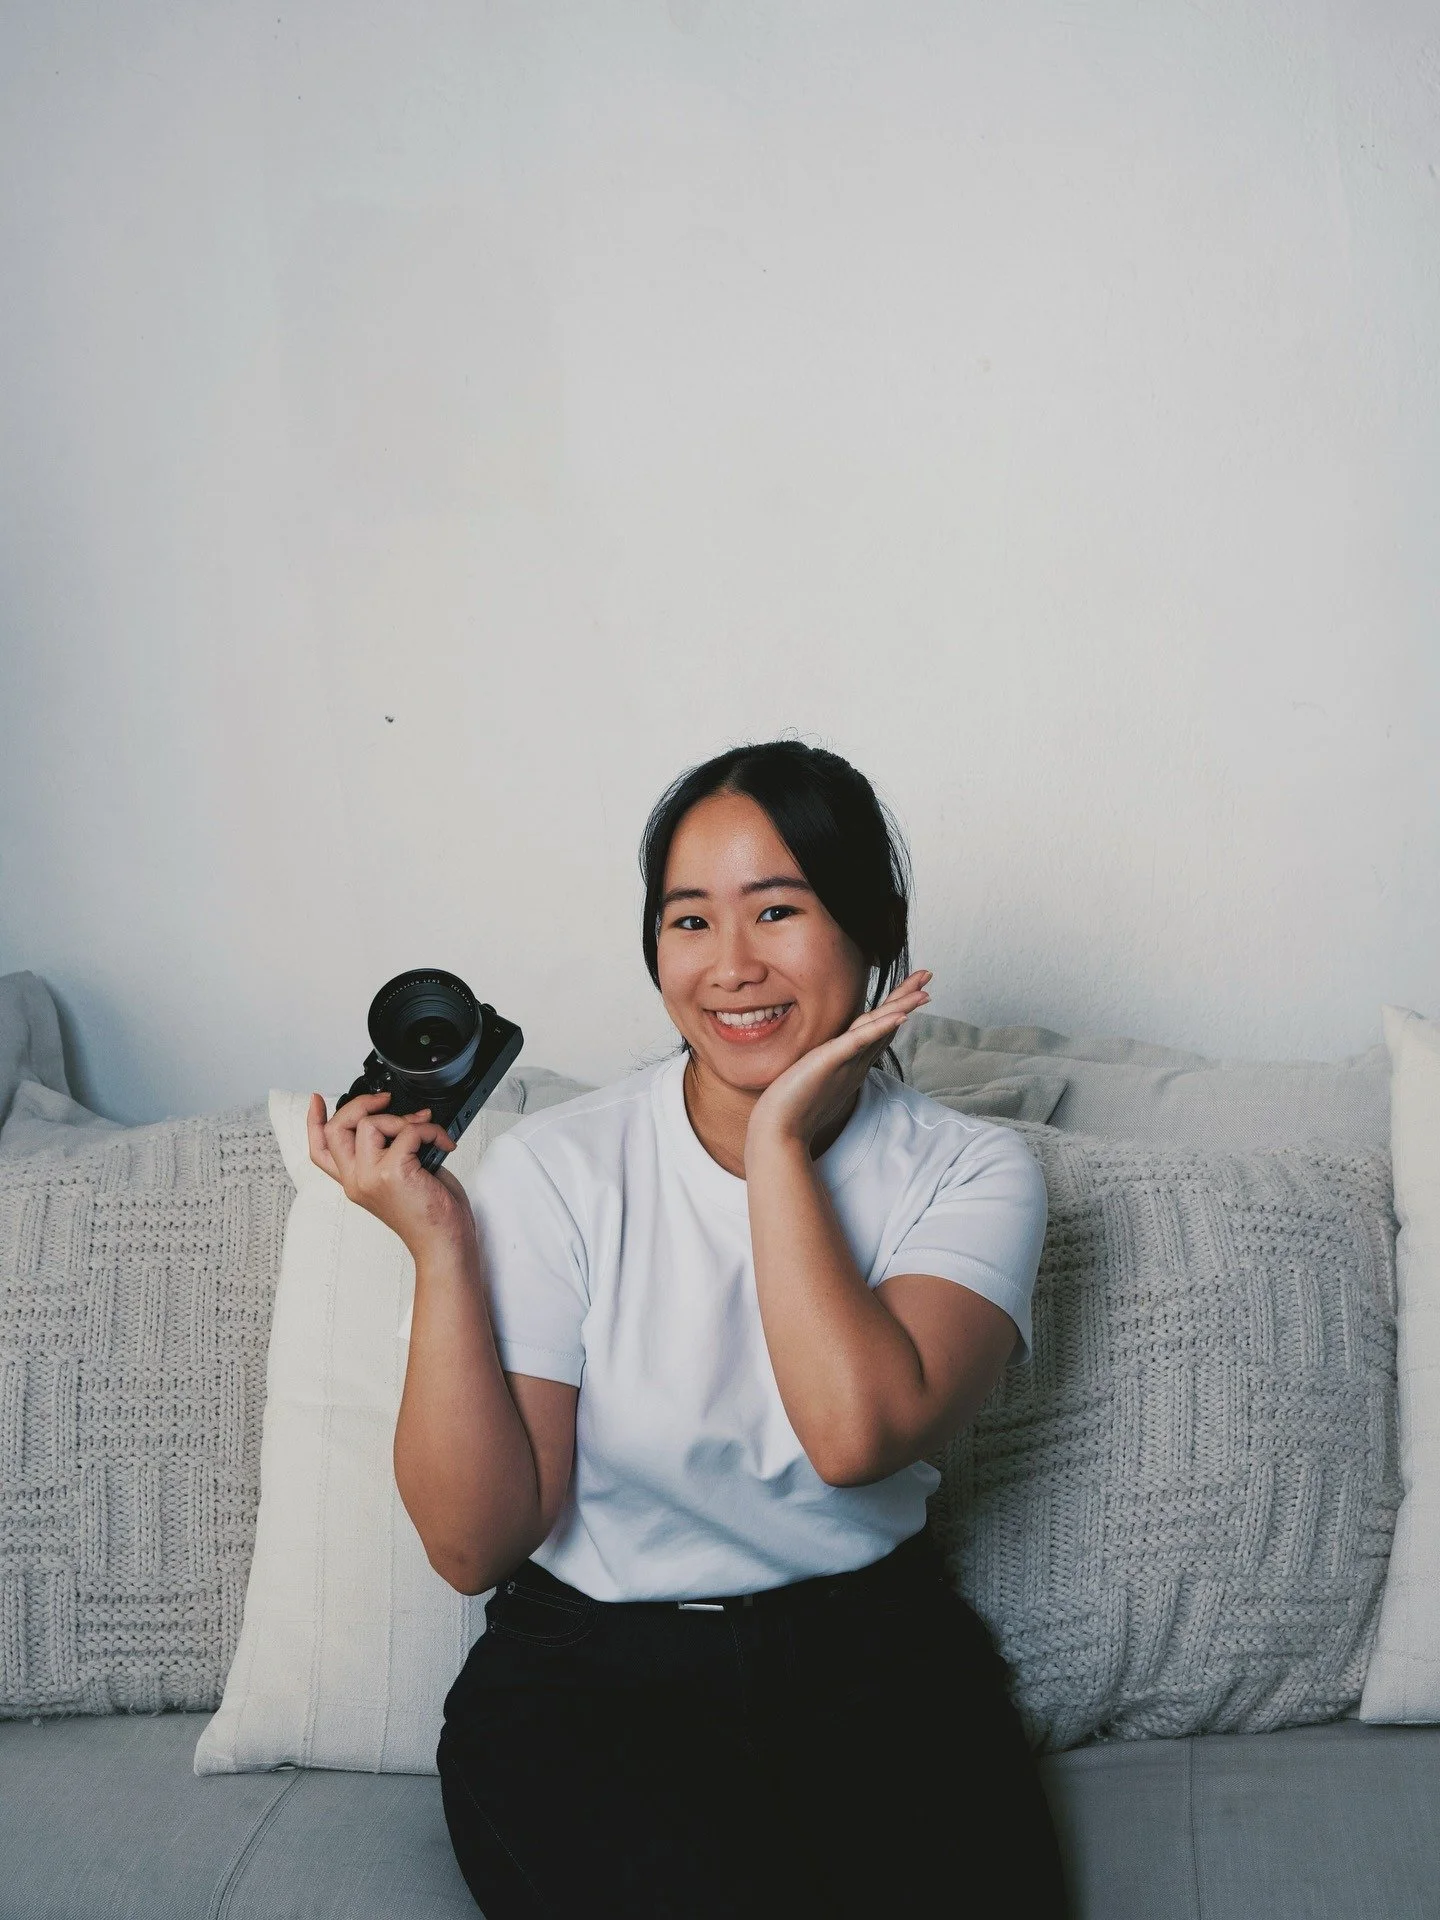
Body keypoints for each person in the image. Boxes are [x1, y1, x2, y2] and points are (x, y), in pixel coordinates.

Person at [307, 740, 1068, 1919]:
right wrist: (444, 1248)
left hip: (875, 1655)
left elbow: (854, 1437)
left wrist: (774, 1149)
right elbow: (476, 1546)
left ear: (873, 929)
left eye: (779, 910)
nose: (732, 967)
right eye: (690, 922)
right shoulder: (562, 1168)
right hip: (588, 1678)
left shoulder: (971, 1173)